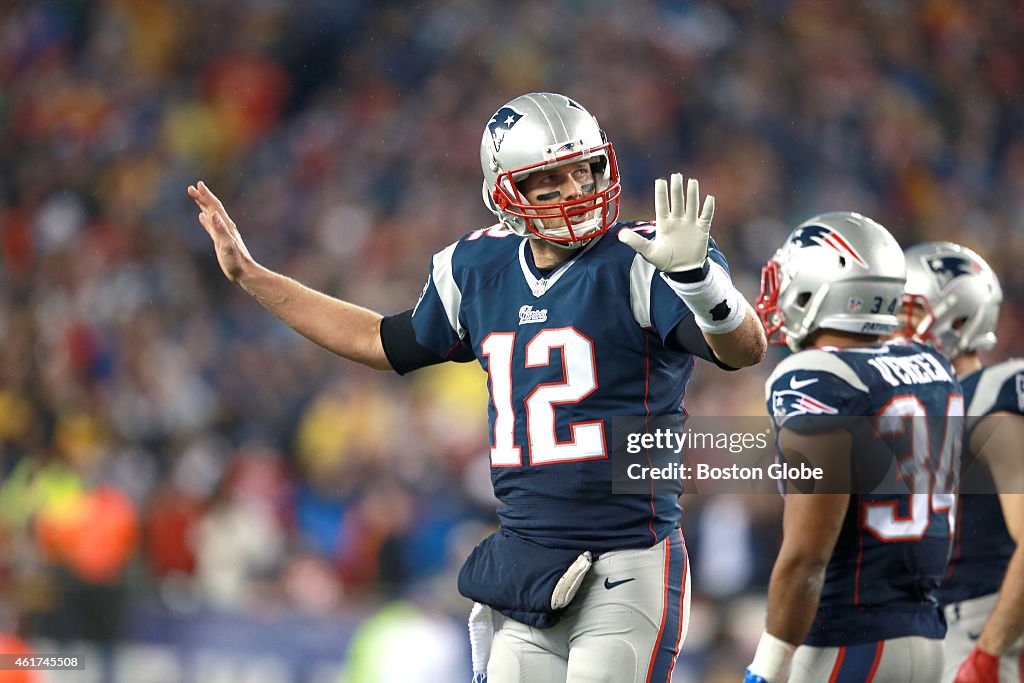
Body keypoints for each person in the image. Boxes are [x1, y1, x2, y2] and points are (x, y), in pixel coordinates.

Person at [190, 92, 766, 683]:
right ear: (506, 194)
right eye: (549, 181)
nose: (575, 190)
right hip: (527, 564)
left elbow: (742, 349)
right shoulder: (476, 267)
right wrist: (253, 278)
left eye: (584, 169)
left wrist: (700, 282)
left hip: (627, 560)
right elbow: (380, 342)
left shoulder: (646, 255)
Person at [744, 212, 962, 682]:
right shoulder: (931, 364)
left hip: (845, 642)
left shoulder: (816, 377)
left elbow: (806, 557)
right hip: (926, 642)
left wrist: (767, 667)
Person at [901, 241, 1024, 683]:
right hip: (930, 627)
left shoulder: (991, 397)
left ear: (955, 317)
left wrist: (988, 652)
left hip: (980, 624)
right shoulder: (928, 408)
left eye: (907, 315)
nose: (892, 329)